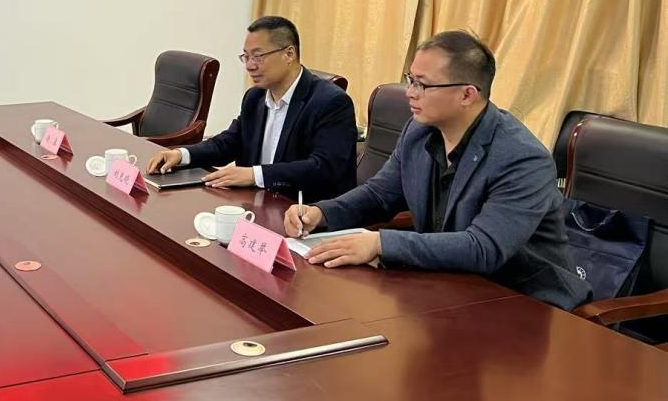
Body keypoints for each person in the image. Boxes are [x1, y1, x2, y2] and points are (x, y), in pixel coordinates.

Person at [283, 31, 590, 310]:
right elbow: (380, 195)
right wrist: (321, 213)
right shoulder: (418, 132)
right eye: (410, 79)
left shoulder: (522, 159)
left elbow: (484, 248)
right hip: (448, 285)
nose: (410, 93)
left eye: (423, 84)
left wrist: (381, 243)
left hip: (524, 302)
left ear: (467, 94)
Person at [146, 16, 358, 202]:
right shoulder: (255, 97)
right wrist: (182, 155)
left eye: (258, 56)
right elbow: (230, 142)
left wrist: (254, 175)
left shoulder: (331, 102)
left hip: (304, 212)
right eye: (246, 57)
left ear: (289, 54)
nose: (249, 66)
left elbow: (324, 168)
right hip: (256, 203)